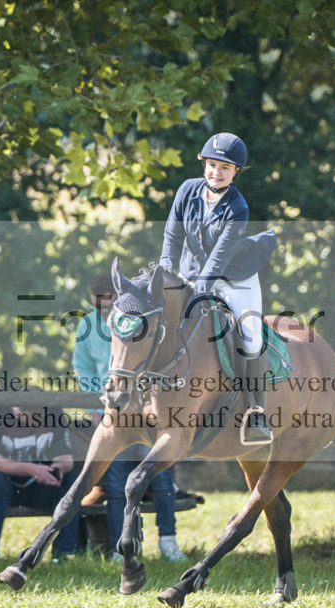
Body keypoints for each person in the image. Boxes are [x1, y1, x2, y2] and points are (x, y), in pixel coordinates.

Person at [158, 132, 278, 444]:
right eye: (212, 165)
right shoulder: (187, 190)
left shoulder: (238, 207)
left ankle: (257, 413)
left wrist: (198, 292)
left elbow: (218, 260)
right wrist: (166, 273)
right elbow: (172, 237)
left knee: (251, 337)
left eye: (225, 168)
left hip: (235, 278)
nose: (216, 172)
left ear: (236, 172)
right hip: (191, 273)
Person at [72, 272, 187, 562]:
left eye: (108, 305)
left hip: (149, 411)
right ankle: (118, 548)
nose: (103, 311)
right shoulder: (88, 325)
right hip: (115, 412)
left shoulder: (142, 318)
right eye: (98, 306)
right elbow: (84, 368)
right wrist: (97, 412)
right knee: (115, 484)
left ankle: (168, 541)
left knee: (160, 478)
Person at [0, 404, 80, 561]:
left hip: (33, 486)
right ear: (17, 410)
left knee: (71, 481)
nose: (36, 423)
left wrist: (56, 471)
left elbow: (65, 459)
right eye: (32, 417)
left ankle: (63, 554)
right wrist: (32, 469)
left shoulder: (54, 412)